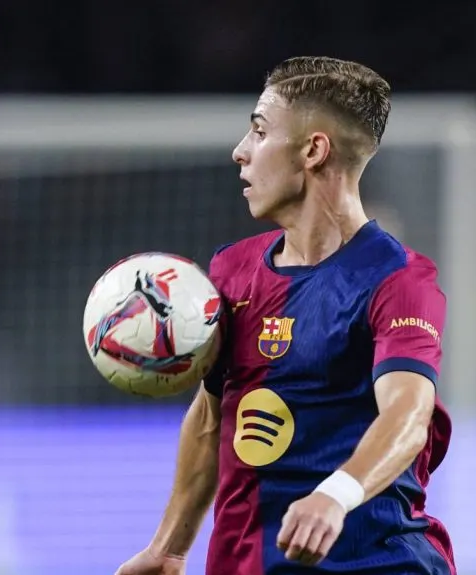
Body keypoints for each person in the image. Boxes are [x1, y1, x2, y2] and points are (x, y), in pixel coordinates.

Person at [115, 56, 455, 575]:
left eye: (258, 130)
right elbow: (211, 419)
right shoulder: (232, 273)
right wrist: (170, 547)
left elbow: (408, 415)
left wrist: (336, 494)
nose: (240, 152)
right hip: (249, 563)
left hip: (377, 563)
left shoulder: (398, 280)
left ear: (314, 150)